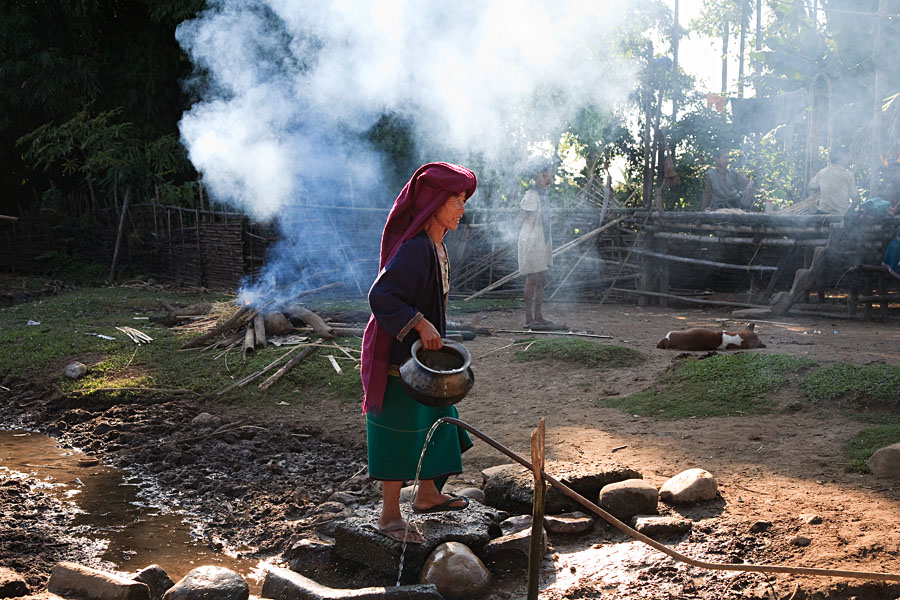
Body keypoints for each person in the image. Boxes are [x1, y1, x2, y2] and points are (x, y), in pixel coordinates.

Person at [360, 162, 477, 545]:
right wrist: (421, 324)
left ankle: (427, 494)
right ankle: (389, 515)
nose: (462, 208)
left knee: (439, 418)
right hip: (397, 360)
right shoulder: (414, 249)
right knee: (400, 430)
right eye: (456, 200)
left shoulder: (436, 246)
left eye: (463, 200)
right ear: (433, 203)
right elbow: (381, 296)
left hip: (422, 360)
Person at [517, 158, 555, 328]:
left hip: (542, 241)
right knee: (532, 278)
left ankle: (538, 316)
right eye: (550, 172)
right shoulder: (531, 195)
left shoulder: (544, 194)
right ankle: (528, 318)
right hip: (532, 241)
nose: (552, 175)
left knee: (542, 278)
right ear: (542, 175)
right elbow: (521, 218)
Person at [807, 147, 859, 214]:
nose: (850, 160)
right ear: (842, 159)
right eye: (848, 157)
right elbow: (854, 195)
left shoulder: (822, 172)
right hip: (841, 213)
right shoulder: (848, 175)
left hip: (822, 212)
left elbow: (811, 186)